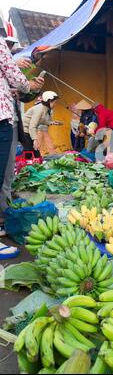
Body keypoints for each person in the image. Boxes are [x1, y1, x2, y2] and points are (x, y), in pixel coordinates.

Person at [0, 34, 44, 258]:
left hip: (11, 124)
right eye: (7, 45)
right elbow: (18, 82)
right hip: (3, 122)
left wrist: (32, 87)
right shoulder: (6, 56)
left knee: (6, 175)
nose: (8, 48)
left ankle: (4, 217)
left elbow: (20, 93)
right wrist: (26, 81)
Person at [22, 91, 61, 157]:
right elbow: (32, 125)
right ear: (49, 101)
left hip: (30, 130)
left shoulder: (45, 109)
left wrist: (52, 122)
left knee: (36, 151)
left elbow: (42, 121)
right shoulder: (39, 109)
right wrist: (35, 139)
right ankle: (26, 165)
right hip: (25, 130)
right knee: (29, 151)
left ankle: (36, 163)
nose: (55, 104)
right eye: (54, 102)